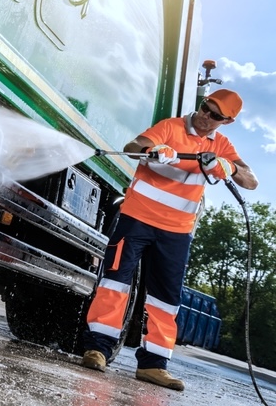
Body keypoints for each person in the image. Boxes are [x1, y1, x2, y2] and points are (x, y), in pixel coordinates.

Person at [79, 88, 258, 391]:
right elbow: (133, 145)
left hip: (177, 232)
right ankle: (97, 349)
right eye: (205, 107)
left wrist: (225, 166)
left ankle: (153, 365)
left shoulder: (222, 144)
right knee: (115, 283)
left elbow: (251, 180)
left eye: (215, 115)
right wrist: (154, 150)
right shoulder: (170, 127)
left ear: (225, 122)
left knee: (165, 300)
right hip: (136, 219)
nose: (206, 116)